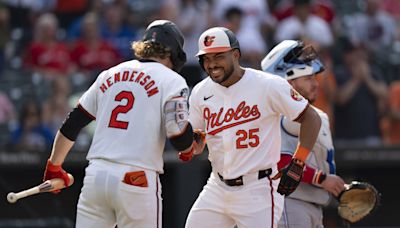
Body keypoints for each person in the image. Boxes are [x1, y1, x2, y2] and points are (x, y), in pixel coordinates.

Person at [41, 20, 204, 228]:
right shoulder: (172, 80)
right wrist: (190, 146)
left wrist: (54, 166)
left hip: (96, 176)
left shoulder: (110, 73)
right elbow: (179, 137)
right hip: (136, 178)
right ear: (174, 54)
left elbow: (72, 124)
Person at [185, 27, 321, 228]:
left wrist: (298, 162)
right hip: (217, 185)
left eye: (218, 56)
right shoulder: (200, 91)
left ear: (236, 55)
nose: (211, 64)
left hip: (258, 189)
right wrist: (192, 146)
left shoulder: (267, 84)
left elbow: (311, 118)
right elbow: (199, 135)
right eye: (206, 58)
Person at [261, 40, 345, 228]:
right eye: (308, 78)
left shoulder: (317, 115)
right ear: (288, 82)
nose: (315, 84)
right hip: (290, 204)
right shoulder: (281, 114)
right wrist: (322, 179)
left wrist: (340, 188)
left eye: (314, 78)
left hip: (313, 206)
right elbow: (279, 162)